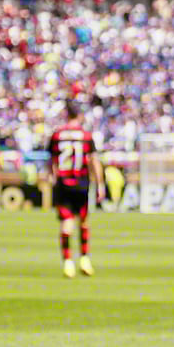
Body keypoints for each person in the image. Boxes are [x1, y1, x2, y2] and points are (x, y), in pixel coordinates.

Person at [47, 106, 103, 277]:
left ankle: (68, 262)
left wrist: (51, 176)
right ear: (79, 115)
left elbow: (52, 161)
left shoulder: (57, 135)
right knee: (84, 222)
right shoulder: (86, 136)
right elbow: (93, 160)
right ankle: (85, 259)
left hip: (63, 183)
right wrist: (100, 183)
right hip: (82, 183)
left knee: (66, 224)